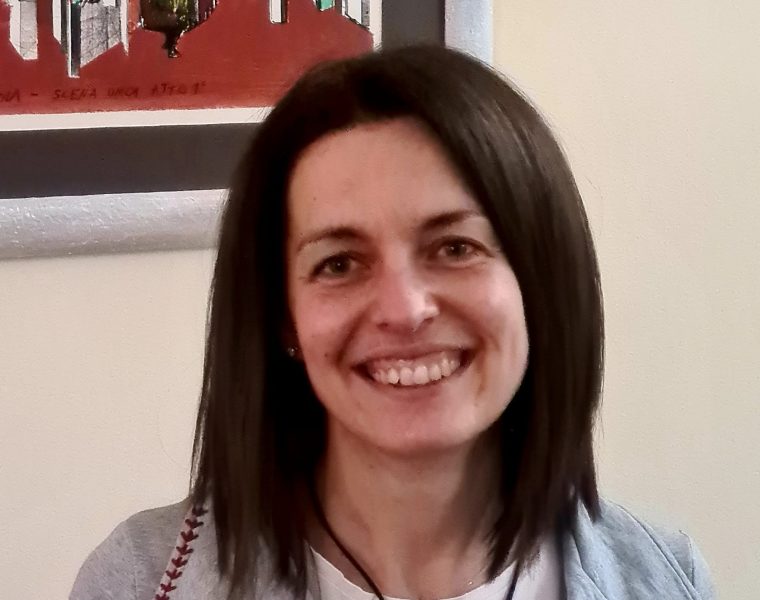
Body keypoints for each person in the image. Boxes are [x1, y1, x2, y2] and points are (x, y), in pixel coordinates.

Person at [70, 45, 714, 600]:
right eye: (339, 263)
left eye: (455, 247)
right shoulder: (141, 579)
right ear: (283, 318)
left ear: (538, 284)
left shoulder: (666, 574)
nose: (404, 310)